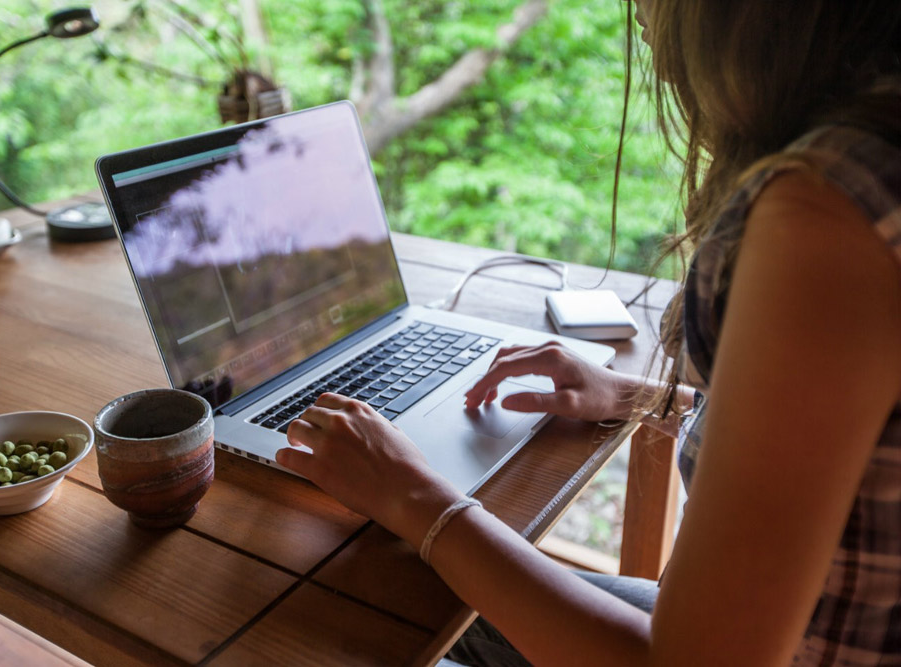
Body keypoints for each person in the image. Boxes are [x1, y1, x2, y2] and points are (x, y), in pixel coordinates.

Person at [276, 0, 901, 664]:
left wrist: (411, 491)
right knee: (406, 590)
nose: (638, 12)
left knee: (337, 613)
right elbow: (845, 461)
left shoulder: (824, 218)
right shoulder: (869, 153)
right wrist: (633, 397)